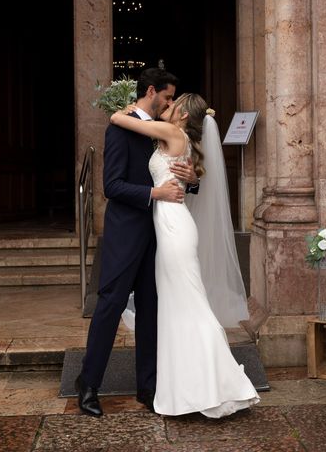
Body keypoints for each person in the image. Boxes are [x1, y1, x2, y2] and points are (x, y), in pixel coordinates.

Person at [109, 92, 261, 418]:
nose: (166, 106)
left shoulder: (172, 133)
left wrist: (127, 106)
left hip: (175, 229)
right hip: (171, 227)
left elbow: (117, 120)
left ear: (180, 116)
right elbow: (185, 175)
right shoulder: (183, 141)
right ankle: (190, 386)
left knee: (189, 304)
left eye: (172, 105)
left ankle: (221, 382)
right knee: (178, 306)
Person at [76, 68, 198, 417]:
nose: (171, 103)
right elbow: (111, 186)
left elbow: (177, 172)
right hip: (126, 232)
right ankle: (89, 384)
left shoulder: (163, 129)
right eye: (168, 96)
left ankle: (149, 386)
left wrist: (190, 180)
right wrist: (154, 193)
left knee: (150, 310)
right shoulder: (120, 128)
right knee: (110, 305)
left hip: (162, 234)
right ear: (150, 91)